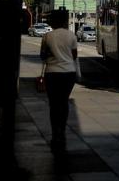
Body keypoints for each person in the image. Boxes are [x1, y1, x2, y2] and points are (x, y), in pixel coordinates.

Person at [40, 10, 78, 154]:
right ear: (65, 21)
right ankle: (62, 130)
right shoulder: (71, 36)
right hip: (68, 73)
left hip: (52, 73)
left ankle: (55, 133)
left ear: (53, 22)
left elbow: (42, 56)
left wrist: (51, 54)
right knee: (64, 102)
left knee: (53, 104)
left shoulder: (47, 36)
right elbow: (74, 56)